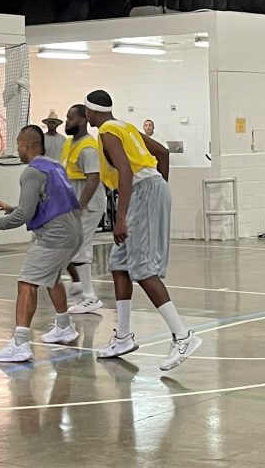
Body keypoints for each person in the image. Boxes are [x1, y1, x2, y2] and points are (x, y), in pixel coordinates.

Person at [84, 90, 201, 371]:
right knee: (119, 265)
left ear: (92, 112)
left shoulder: (107, 133)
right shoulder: (125, 126)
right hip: (149, 188)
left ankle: (183, 336)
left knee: (143, 269)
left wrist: (121, 216)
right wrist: (160, 185)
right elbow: (161, 152)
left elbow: (124, 170)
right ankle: (122, 336)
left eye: (85, 111)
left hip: (141, 191)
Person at [0, 125, 83, 362]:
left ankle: (21, 344)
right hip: (74, 231)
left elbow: (25, 214)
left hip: (55, 235)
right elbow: (47, 204)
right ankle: (64, 326)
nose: (17, 149)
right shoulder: (54, 166)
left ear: (27, 145)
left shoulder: (31, 172)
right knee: (52, 277)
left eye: (17, 144)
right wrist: (13, 209)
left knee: (27, 282)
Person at [60, 105, 106, 314]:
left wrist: (80, 206)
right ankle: (80, 286)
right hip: (75, 203)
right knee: (71, 244)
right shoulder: (70, 143)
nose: (66, 121)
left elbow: (94, 178)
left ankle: (89, 296)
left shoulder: (88, 147)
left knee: (81, 247)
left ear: (82, 120)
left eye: (70, 118)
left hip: (89, 205)